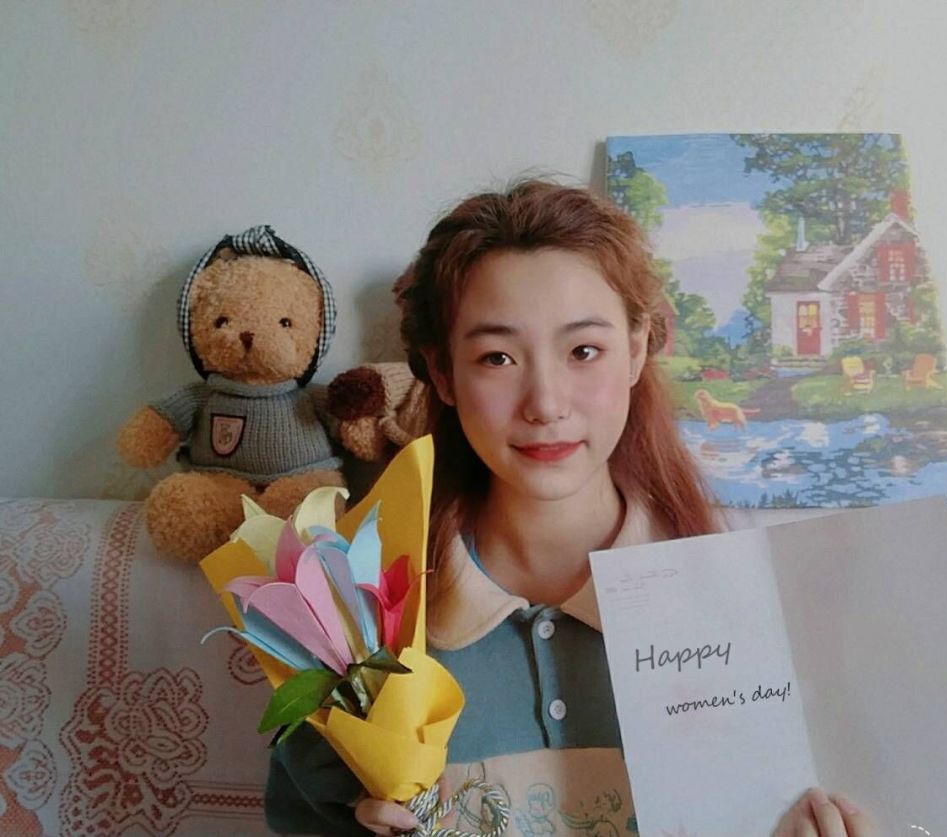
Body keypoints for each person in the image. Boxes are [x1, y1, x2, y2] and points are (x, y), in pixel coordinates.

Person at [265, 180, 873, 837]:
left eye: (584, 351)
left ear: (636, 348)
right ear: (442, 373)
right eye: (497, 357)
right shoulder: (353, 618)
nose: (546, 403)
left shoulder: (751, 602)